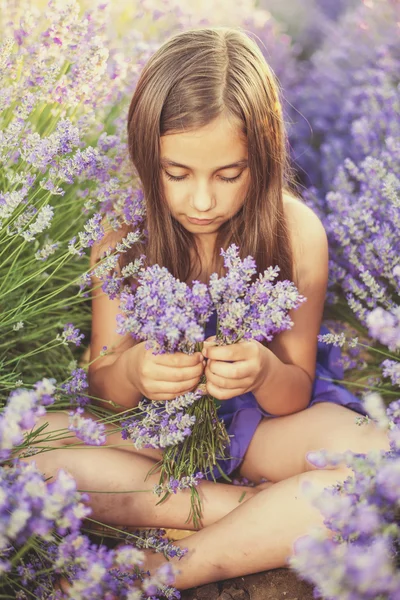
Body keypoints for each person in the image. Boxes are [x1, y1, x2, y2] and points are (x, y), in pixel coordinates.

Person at [31, 26, 389, 591]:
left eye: (229, 174)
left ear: (264, 159)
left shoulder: (295, 232)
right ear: (149, 159)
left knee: (385, 465)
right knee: (28, 451)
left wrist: (263, 370)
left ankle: (172, 565)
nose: (202, 200)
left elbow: (294, 388)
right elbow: (103, 389)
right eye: (177, 174)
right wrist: (131, 370)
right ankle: (245, 511)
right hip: (154, 434)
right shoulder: (123, 234)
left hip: (266, 429)